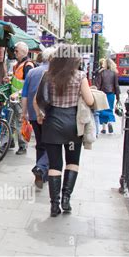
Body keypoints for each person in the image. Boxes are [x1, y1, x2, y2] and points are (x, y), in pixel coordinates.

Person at [33, 45, 94, 217]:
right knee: (72, 162)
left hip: (52, 123)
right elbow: (89, 101)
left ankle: (54, 205)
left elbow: (38, 100)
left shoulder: (47, 75)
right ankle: (66, 199)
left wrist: (39, 116)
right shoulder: (80, 76)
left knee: (54, 165)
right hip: (73, 126)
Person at [21, 48, 56, 189]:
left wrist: (24, 113)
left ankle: (41, 174)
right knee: (52, 144)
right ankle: (41, 168)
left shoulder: (31, 72)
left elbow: (24, 95)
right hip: (50, 114)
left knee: (40, 143)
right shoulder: (56, 73)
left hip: (33, 113)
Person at [10, 42, 35, 155]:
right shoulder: (18, 64)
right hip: (14, 97)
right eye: (15, 50)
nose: (15, 52)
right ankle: (10, 142)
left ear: (24, 52)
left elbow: (28, 84)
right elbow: (17, 79)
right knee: (11, 120)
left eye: (17, 51)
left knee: (21, 121)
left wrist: (18, 93)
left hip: (20, 98)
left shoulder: (28, 65)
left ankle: (23, 146)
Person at [95, 58, 120, 134]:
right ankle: (110, 122)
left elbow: (98, 85)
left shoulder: (101, 72)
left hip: (102, 94)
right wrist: (118, 97)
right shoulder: (114, 73)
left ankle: (104, 128)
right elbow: (116, 85)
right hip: (111, 94)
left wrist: (96, 93)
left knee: (102, 110)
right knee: (110, 108)